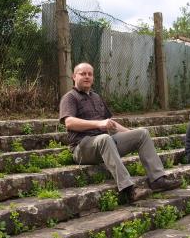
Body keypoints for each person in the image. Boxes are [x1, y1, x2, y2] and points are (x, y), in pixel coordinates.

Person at [59, 62, 180, 201]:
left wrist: (131, 134)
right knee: (105, 138)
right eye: (82, 74)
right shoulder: (70, 97)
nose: (87, 77)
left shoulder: (96, 97)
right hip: (82, 148)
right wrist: (99, 124)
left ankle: (157, 180)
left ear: (93, 78)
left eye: (89, 74)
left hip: (105, 143)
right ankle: (129, 190)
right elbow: (69, 123)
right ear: (74, 76)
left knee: (142, 133)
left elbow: (110, 123)